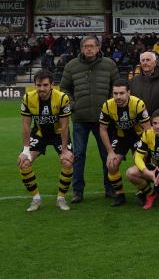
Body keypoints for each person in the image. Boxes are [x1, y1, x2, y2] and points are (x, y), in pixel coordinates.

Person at [60, 35, 119, 204]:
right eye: (86, 46)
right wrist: (73, 104)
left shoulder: (109, 64)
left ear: (98, 47)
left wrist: (110, 108)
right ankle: (77, 191)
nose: (89, 49)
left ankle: (110, 188)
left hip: (104, 121)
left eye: (92, 46)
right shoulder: (71, 66)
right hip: (80, 118)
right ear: (81, 48)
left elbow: (116, 87)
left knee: (106, 154)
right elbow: (64, 88)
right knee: (78, 155)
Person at [18, 69, 73, 212]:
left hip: (58, 134)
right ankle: (36, 199)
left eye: (45, 85)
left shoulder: (62, 98)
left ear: (52, 85)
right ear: (35, 85)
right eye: (38, 85)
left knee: (67, 162)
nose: (41, 88)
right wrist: (25, 151)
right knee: (24, 163)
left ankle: (61, 199)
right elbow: (25, 125)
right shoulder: (28, 98)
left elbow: (65, 126)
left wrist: (65, 150)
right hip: (39, 134)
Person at [98, 79, 151, 207]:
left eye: (121, 93)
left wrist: (146, 150)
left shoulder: (138, 104)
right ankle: (119, 194)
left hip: (139, 137)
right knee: (111, 164)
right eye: (115, 93)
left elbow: (148, 130)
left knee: (140, 164)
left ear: (129, 93)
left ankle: (145, 192)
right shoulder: (107, 105)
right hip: (121, 137)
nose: (118, 97)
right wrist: (110, 152)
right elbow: (103, 130)